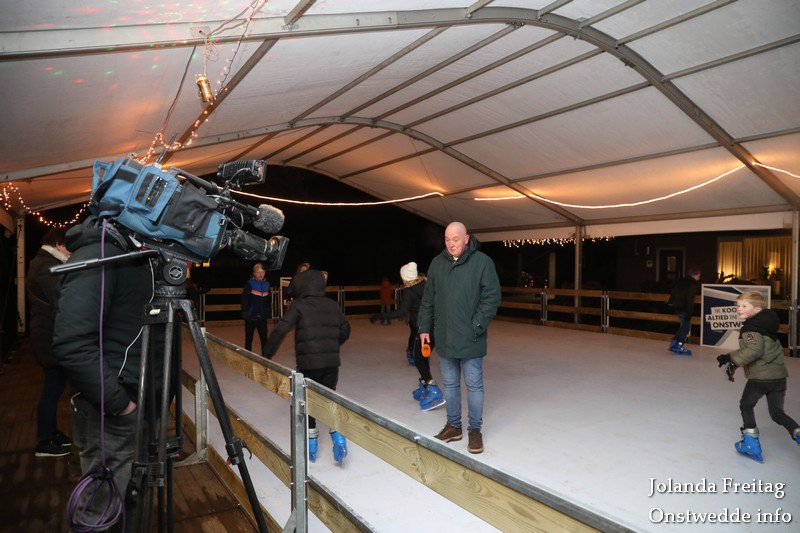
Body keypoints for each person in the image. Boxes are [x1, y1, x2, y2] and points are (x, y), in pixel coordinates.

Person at [53, 216, 159, 531]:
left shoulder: (131, 256)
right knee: (101, 507)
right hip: (113, 408)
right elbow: (72, 343)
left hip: (132, 401)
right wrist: (120, 404)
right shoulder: (99, 255)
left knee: (129, 498)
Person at [418, 222, 501, 454]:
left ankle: (475, 430)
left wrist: (477, 325)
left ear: (466, 239)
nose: (451, 244)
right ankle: (454, 426)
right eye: (447, 239)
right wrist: (424, 328)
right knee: (451, 384)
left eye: (455, 239)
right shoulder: (437, 263)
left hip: (471, 337)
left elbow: (492, 297)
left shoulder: (482, 262)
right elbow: (428, 300)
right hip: (445, 337)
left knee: (474, 385)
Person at [262, 269, 351, 465]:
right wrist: (332, 345)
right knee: (328, 397)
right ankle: (338, 436)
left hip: (308, 364)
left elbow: (281, 329)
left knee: (309, 402)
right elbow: (346, 329)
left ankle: (312, 444)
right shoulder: (332, 304)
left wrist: (266, 354)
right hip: (331, 363)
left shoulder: (299, 305)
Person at [716, 291, 800, 462]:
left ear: (757, 309)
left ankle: (751, 444)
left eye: (744, 306)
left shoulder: (750, 329)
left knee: (746, 405)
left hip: (760, 379)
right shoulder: (766, 326)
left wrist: (733, 361)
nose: (739, 309)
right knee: (777, 413)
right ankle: (798, 433)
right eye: (738, 306)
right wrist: (729, 356)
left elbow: (754, 350)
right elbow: (755, 349)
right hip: (778, 378)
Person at [370, 262, 445, 410]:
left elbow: (401, 312)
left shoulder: (410, 291)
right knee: (423, 358)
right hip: (435, 327)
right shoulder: (427, 285)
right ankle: (425, 385)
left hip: (423, 329)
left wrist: (380, 316)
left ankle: (433, 390)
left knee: (418, 359)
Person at [26, 227, 73, 457]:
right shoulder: (47, 266)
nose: (71, 253)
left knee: (54, 386)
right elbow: (61, 298)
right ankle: (44, 441)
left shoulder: (44, 262)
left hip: (47, 334)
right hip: (48, 335)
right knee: (53, 387)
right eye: (69, 248)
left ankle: (51, 433)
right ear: (58, 245)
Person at [667, 267, 701, 355]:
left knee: (683, 327)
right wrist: (689, 312)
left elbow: (674, 291)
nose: (699, 278)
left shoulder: (682, 281)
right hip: (684, 308)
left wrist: (670, 301)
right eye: (698, 276)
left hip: (677, 306)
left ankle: (674, 343)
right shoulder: (693, 284)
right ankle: (679, 345)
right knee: (686, 328)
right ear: (695, 275)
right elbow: (690, 299)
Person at [241, 262, 271, 357]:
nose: (260, 274)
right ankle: (248, 356)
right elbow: (244, 299)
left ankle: (265, 357)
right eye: (258, 272)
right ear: (254, 273)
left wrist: (267, 311)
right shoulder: (250, 284)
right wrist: (246, 312)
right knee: (249, 338)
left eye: (262, 272)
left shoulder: (267, 284)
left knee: (264, 338)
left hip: (262, 317)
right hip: (251, 317)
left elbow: (268, 300)